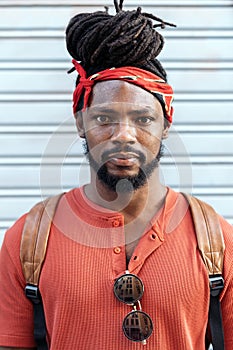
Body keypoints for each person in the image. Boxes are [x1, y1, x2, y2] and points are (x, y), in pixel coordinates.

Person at [0, 1, 232, 349]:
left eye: (143, 120)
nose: (124, 135)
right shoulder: (29, 239)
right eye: (104, 119)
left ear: (167, 124)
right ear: (81, 122)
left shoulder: (216, 240)